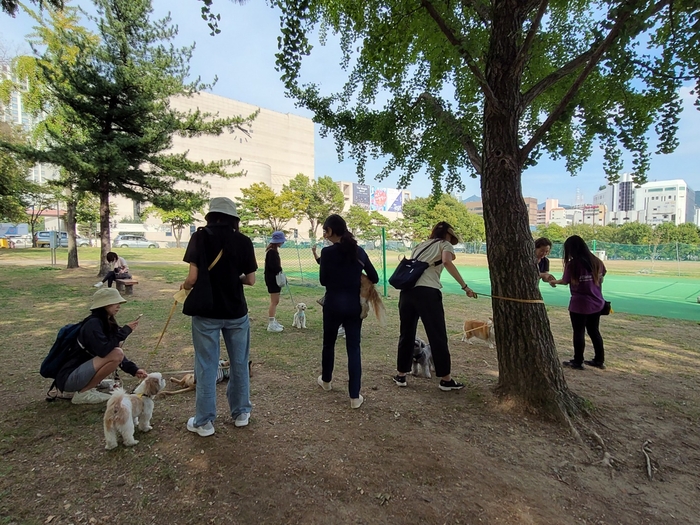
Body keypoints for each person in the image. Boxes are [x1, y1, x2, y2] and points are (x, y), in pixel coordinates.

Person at [181, 197, 258, 436]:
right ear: (234, 218)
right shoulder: (244, 241)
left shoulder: (199, 237)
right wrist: (235, 279)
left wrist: (183, 287)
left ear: (211, 216)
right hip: (236, 311)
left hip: (206, 312)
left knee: (206, 365)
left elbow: (192, 278)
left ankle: (204, 422)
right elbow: (252, 280)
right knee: (239, 363)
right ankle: (241, 413)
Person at [393, 221, 476, 391]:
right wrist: (464, 286)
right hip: (428, 293)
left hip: (407, 292)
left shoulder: (421, 245)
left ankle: (401, 375)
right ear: (448, 234)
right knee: (437, 335)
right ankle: (446, 379)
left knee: (406, 334)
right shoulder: (444, 244)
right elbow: (447, 261)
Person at [317, 214, 378, 409]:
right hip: (354, 306)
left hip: (333, 304)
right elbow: (374, 276)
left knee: (329, 344)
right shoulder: (359, 252)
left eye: (325, 230)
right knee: (354, 348)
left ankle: (326, 381)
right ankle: (354, 396)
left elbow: (323, 281)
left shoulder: (326, 254)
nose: (324, 234)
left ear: (332, 231)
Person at [55, 287, 147, 405]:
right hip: (69, 378)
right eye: (115, 303)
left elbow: (112, 351)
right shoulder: (93, 324)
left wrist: (134, 370)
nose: (118, 306)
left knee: (116, 352)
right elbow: (105, 351)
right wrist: (124, 332)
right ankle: (84, 393)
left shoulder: (106, 322)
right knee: (117, 353)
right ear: (104, 304)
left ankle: (91, 385)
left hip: (78, 373)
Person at [549, 235, 607, 370]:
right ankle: (599, 360)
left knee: (579, 332)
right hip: (597, 302)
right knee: (594, 331)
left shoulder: (573, 264)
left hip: (580, 304)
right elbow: (601, 278)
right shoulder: (596, 261)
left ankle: (578, 361)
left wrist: (553, 281)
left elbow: (565, 281)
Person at [312, 242, 345, 338]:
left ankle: (344, 328)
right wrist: (314, 252)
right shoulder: (329, 254)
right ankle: (341, 327)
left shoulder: (342, 254)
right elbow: (320, 261)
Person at [264, 231, 287, 332]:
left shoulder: (272, 251)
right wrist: (281, 271)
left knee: (275, 301)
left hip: (272, 279)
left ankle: (273, 321)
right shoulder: (272, 252)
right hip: (273, 280)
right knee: (274, 301)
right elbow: (274, 267)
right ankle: (271, 323)